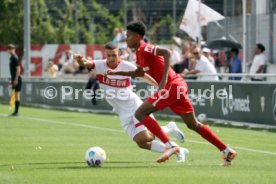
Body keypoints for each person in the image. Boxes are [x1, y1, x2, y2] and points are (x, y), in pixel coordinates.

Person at [107, 21, 237, 166]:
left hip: (172, 86)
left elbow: (166, 52)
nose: (126, 38)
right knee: (193, 124)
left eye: (129, 35)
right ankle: (227, 151)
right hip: (178, 86)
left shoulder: (145, 48)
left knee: (140, 114)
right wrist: (116, 72)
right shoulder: (139, 54)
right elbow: (138, 73)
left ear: (137, 36)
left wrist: (162, 82)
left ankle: (170, 145)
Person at [74, 42, 188, 162]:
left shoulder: (127, 66)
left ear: (119, 53)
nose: (111, 58)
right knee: (141, 143)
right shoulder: (99, 65)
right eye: (108, 55)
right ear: (105, 55)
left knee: (145, 137)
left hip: (134, 106)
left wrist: (159, 85)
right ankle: (174, 141)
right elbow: (86, 63)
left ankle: (171, 139)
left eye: (114, 55)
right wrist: (80, 60)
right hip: (121, 112)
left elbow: (143, 76)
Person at [8, 44, 22, 116]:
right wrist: (12, 79)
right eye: (10, 48)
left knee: (17, 95)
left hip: (17, 79)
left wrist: (16, 79)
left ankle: (16, 112)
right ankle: (15, 112)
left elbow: (18, 69)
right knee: (15, 95)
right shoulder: (11, 58)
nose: (11, 50)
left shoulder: (15, 58)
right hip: (14, 78)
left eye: (13, 48)